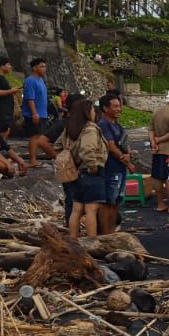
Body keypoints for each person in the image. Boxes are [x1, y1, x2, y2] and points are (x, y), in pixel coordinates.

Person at [58, 97, 107, 239]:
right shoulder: (90, 128)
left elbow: (57, 147)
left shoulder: (69, 129)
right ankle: (91, 241)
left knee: (76, 209)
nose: (94, 112)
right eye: (92, 110)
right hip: (89, 172)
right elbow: (87, 149)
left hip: (75, 172)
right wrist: (93, 166)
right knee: (91, 209)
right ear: (86, 112)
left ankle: (74, 239)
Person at [98, 94, 133, 235]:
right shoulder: (103, 125)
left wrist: (128, 156)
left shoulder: (117, 125)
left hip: (120, 168)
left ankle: (112, 232)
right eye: (115, 106)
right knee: (108, 203)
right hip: (110, 169)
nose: (119, 109)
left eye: (119, 106)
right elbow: (111, 146)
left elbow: (125, 144)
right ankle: (105, 234)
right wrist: (126, 161)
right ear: (105, 108)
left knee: (116, 203)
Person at [22, 57, 56, 167]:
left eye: (45, 66)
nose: (44, 69)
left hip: (42, 113)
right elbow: (30, 98)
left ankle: (34, 159)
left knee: (39, 135)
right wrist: (34, 113)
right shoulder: (30, 81)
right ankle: (32, 160)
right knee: (35, 136)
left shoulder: (41, 80)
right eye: (42, 66)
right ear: (34, 68)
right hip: (34, 113)